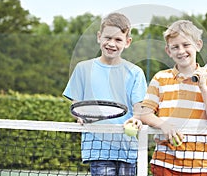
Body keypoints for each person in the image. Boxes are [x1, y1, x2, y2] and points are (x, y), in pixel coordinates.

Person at [134, 20, 207, 175]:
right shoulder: (160, 78)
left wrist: (203, 87)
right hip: (164, 163)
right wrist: (164, 125)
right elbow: (145, 113)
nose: (181, 50)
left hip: (199, 164)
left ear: (198, 45)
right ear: (168, 51)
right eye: (175, 47)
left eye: (186, 44)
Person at [63, 12, 147, 176]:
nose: (111, 44)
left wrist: (136, 119)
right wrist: (80, 116)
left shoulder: (136, 73)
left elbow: (139, 109)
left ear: (127, 42)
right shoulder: (82, 69)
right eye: (107, 38)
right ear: (99, 37)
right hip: (97, 148)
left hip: (127, 148)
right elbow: (76, 106)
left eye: (118, 40)